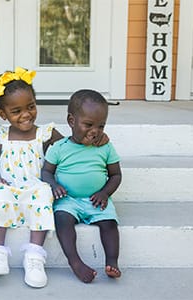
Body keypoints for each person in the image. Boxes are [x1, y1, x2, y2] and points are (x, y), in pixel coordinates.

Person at [0, 67, 109, 288]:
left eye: (31, 106)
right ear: (3, 115)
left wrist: (98, 135)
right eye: (16, 111)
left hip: (35, 186)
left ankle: (34, 256)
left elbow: (73, 143)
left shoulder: (46, 133)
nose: (26, 114)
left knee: (44, 192)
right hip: (7, 185)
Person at [41, 89, 122, 283]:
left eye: (101, 126)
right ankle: (75, 262)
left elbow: (116, 175)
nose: (95, 131)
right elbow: (46, 172)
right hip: (68, 200)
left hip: (97, 199)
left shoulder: (105, 147)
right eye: (88, 125)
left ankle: (112, 262)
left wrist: (105, 193)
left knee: (110, 224)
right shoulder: (59, 147)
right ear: (71, 121)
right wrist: (53, 185)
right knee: (62, 220)